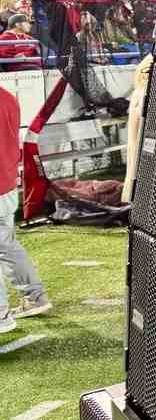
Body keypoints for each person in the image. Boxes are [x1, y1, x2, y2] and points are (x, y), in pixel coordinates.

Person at [1, 85, 51, 334]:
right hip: (7, 185)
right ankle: (34, 298)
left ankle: (1, 317)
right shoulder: (8, 96)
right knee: (7, 247)